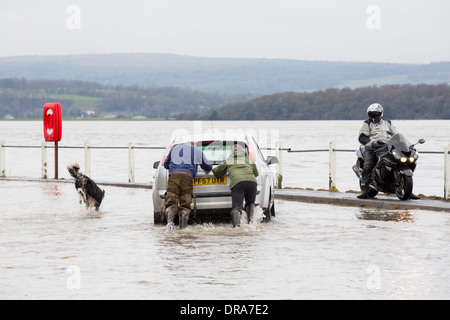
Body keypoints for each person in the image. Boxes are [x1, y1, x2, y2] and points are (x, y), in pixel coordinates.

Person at [357, 103, 419, 199]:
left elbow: (396, 134)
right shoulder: (367, 123)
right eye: (372, 113)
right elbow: (362, 137)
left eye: (376, 113)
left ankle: (408, 191)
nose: (374, 115)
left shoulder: (388, 122)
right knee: (368, 165)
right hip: (373, 149)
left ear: (380, 113)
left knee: (403, 162)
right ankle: (364, 190)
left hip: (387, 148)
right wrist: (371, 143)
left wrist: (405, 144)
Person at [164, 141, 212, 229]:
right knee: (185, 204)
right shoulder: (196, 150)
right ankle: (183, 229)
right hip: (187, 177)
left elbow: (166, 164)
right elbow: (207, 166)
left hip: (173, 177)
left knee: (171, 202)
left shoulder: (174, 148)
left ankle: (170, 224)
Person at [213, 144, 259, 227]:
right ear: (243, 151)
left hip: (238, 182)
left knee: (237, 207)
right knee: (250, 203)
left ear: (232, 151)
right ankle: (251, 225)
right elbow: (256, 173)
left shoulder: (230, 159)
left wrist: (223, 172)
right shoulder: (248, 159)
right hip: (252, 182)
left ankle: (236, 228)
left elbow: (216, 171)